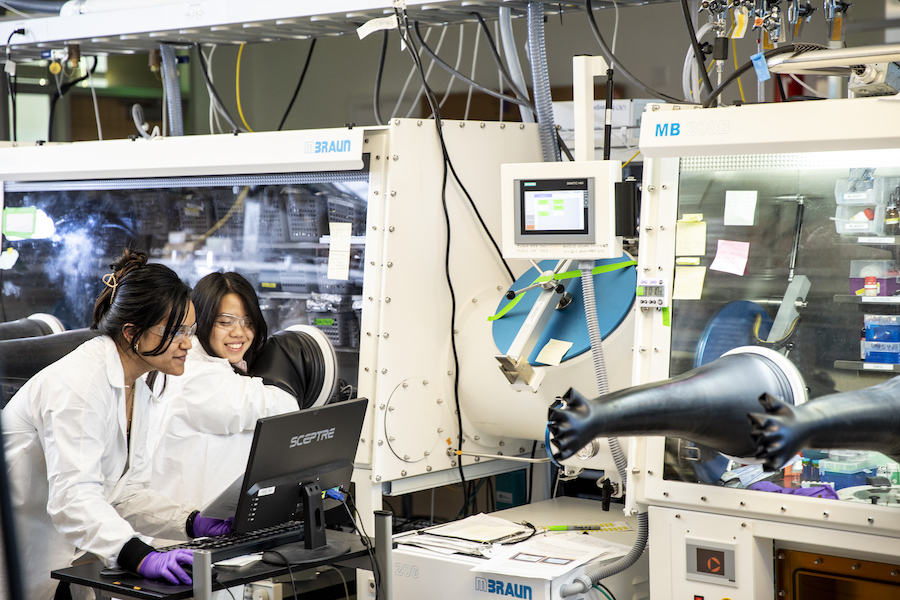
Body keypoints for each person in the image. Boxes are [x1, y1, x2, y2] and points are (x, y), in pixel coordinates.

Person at [1, 249, 231, 600]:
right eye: (175, 331)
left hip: (60, 563)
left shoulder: (140, 382)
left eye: (190, 329)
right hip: (14, 559)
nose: (188, 343)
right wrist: (140, 556)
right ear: (132, 332)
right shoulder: (81, 383)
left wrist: (191, 521)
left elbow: (123, 494)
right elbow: (73, 498)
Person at [147, 272, 299, 509]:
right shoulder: (197, 376)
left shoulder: (194, 360)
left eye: (248, 322)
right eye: (226, 322)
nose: (239, 332)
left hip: (196, 519)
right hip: (182, 532)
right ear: (203, 320)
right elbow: (283, 407)